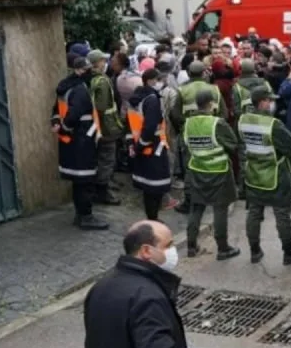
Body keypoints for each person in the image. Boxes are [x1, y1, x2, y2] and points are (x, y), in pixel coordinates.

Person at [83, 221, 221, 348]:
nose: (173, 251)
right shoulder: (147, 298)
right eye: (168, 245)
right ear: (146, 251)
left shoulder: (102, 287)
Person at [238, 86, 291, 266]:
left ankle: (254, 251)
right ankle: (289, 252)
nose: (272, 103)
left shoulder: (243, 120)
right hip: (276, 174)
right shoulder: (273, 125)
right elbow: (290, 146)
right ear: (262, 102)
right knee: (282, 214)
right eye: (270, 100)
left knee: (254, 213)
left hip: (253, 173)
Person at [182, 90, 241, 260]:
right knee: (220, 208)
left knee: (196, 207)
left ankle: (191, 246)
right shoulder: (217, 123)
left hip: (197, 170)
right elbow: (232, 144)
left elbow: (185, 145)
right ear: (210, 104)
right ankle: (223, 248)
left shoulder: (188, 123)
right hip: (218, 171)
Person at [51, 57, 108, 230]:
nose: (90, 72)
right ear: (81, 71)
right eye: (88, 69)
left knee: (78, 181)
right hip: (82, 141)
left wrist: (57, 124)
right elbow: (74, 114)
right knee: (85, 180)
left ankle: (80, 214)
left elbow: (56, 110)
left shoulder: (64, 87)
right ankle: (86, 217)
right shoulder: (80, 90)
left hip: (71, 142)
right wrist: (65, 128)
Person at [170, 61, 227, 214]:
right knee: (210, 164)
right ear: (204, 73)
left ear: (189, 73)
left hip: (189, 134)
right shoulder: (214, 90)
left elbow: (175, 115)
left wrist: (185, 126)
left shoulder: (183, 90)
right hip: (211, 134)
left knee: (191, 167)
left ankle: (189, 202)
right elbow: (224, 114)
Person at [127, 69, 172, 221]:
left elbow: (130, 124)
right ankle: (153, 219)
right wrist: (140, 146)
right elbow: (150, 127)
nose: (161, 82)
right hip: (154, 148)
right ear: (151, 80)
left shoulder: (136, 98)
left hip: (140, 148)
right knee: (156, 186)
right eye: (159, 79)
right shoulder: (152, 99)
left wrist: (134, 146)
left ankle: (151, 216)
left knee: (148, 187)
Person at [87, 50, 122, 205]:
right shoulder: (102, 81)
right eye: (103, 60)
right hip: (106, 126)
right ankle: (103, 191)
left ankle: (101, 186)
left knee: (99, 157)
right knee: (107, 158)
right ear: (98, 62)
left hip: (96, 127)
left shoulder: (90, 78)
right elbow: (101, 106)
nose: (104, 63)